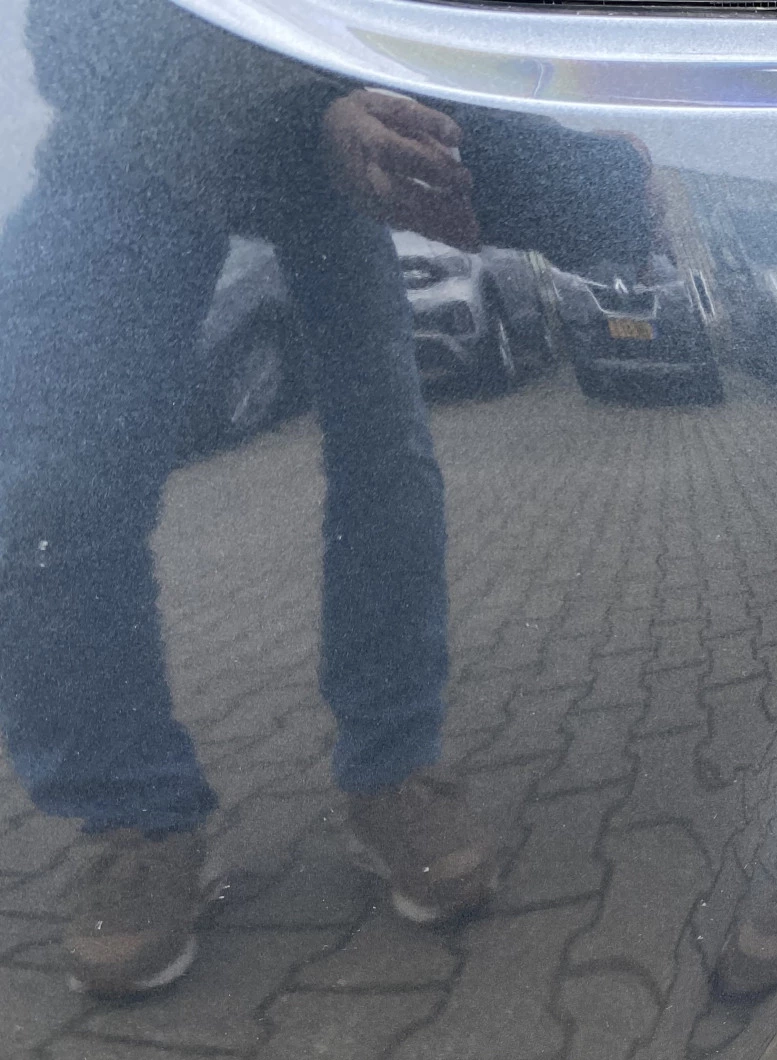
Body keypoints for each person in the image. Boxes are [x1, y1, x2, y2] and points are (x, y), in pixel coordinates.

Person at [0, 2, 497, 997]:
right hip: (128, 137)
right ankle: (136, 817)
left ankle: (393, 769)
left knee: (387, 445)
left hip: (327, 131)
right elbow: (70, 29)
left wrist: (584, 173)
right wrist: (295, 106)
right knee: (52, 487)